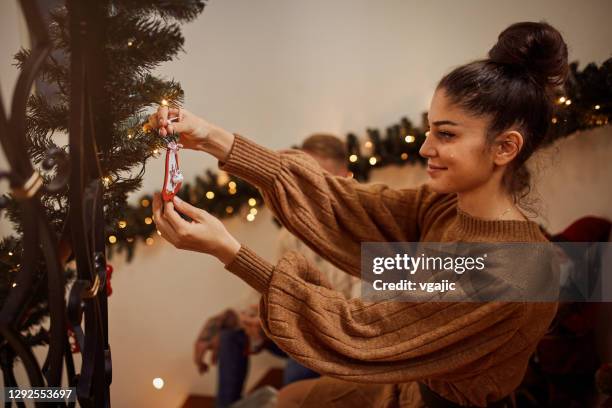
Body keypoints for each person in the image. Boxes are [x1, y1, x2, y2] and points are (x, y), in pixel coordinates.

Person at [150, 21, 567, 407]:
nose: (425, 148)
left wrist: (231, 252)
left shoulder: (515, 268)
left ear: (505, 147)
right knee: (291, 397)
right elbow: (350, 206)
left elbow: (361, 330)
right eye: (428, 130)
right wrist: (214, 139)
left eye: (446, 134)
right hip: (404, 389)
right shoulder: (445, 207)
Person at [192, 134, 359, 408]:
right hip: (295, 328)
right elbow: (269, 285)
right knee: (230, 336)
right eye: (303, 177)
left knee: (296, 365)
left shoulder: (360, 231)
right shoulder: (290, 234)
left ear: (343, 176)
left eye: (320, 176)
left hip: (331, 340)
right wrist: (241, 318)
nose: (310, 187)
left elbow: (355, 314)